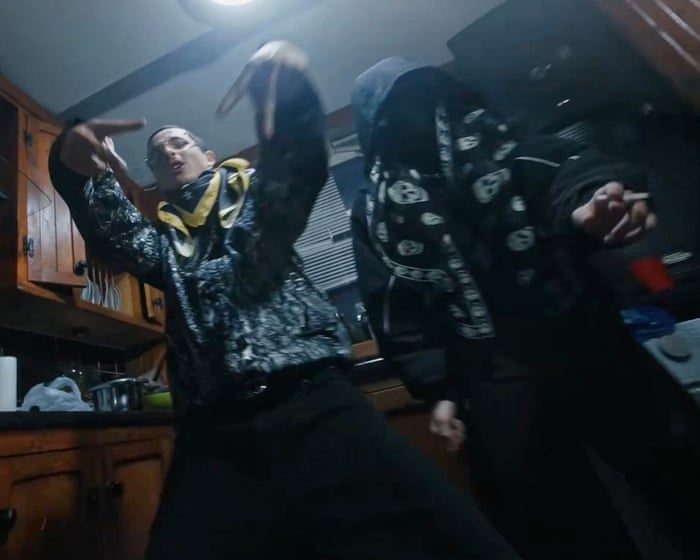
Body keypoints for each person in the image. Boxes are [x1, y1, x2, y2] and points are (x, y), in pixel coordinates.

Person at [48, 43, 520, 560]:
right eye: (158, 156)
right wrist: (72, 165)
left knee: (459, 544)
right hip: (215, 432)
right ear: (155, 179)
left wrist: (291, 97)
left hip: (316, 405)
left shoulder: (256, 201)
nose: (170, 155)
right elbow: (114, 230)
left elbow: (294, 171)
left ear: (209, 155)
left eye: (179, 143)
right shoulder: (163, 245)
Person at [350, 57, 700, 560]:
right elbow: (397, 308)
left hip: (582, 337)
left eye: (426, 101)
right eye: (398, 111)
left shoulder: (503, 147)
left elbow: (571, 170)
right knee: (552, 514)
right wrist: (441, 391)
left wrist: (597, 200)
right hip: (494, 374)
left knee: (672, 460)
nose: (419, 119)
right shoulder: (377, 210)